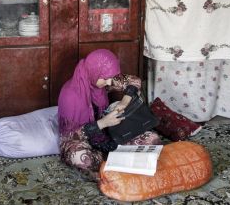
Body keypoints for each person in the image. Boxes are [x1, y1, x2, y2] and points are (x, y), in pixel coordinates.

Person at [58, 49, 161, 178]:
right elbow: (70, 136)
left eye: (110, 78)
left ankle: (111, 163)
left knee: (152, 139)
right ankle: (117, 162)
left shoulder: (101, 82)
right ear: (94, 71)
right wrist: (103, 123)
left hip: (108, 134)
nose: (108, 82)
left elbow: (134, 81)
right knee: (82, 158)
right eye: (105, 79)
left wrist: (124, 101)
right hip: (81, 140)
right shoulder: (70, 95)